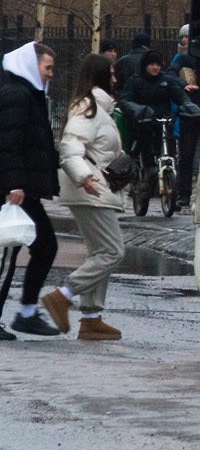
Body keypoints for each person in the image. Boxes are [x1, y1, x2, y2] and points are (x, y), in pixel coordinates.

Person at [42, 54, 125, 340]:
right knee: (113, 251)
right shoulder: (88, 107)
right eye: (111, 74)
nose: (115, 79)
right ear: (101, 77)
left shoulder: (98, 109)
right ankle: (62, 295)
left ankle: (91, 318)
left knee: (99, 253)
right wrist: (83, 176)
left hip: (94, 185)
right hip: (90, 187)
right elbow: (70, 145)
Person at [0, 42, 62, 338]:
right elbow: (7, 143)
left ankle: (26, 312)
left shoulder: (27, 95)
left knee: (43, 245)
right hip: (13, 190)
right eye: (47, 67)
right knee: (7, 255)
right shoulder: (17, 95)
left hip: (22, 188)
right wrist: (14, 183)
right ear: (31, 65)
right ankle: (24, 313)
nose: (50, 74)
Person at [119, 51, 199, 185]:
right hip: (143, 122)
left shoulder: (167, 80)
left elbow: (179, 95)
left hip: (164, 121)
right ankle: (148, 167)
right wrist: (137, 110)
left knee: (170, 143)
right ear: (145, 65)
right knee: (144, 141)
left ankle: (171, 175)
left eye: (158, 64)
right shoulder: (134, 81)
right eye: (152, 64)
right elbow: (125, 100)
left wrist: (187, 105)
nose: (155, 67)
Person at [168, 25, 200, 204]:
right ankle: (184, 194)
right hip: (191, 109)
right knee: (186, 154)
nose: (184, 41)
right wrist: (184, 84)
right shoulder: (184, 58)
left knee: (194, 154)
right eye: (182, 38)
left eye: (187, 38)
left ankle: (189, 193)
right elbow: (170, 74)